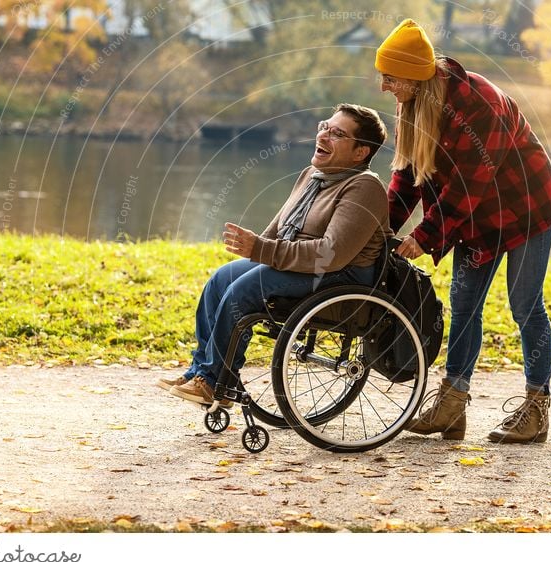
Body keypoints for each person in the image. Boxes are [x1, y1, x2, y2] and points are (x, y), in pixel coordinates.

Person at [374, 19, 551, 443]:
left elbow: (468, 184)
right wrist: (382, 228)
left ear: (413, 75)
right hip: (477, 220)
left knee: (524, 306)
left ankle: (536, 408)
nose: (384, 86)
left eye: (390, 77)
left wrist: (423, 236)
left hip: (526, 210)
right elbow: (407, 175)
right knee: (464, 306)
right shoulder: (417, 105)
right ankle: (451, 404)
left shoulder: (478, 102)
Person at [157, 103, 390, 406]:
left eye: (337, 134)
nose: (324, 135)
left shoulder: (365, 186)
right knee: (221, 279)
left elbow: (330, 255)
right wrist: (256, 249)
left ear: (360, 152)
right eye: (325, 127)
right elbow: (278, 229)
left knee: (244, 290)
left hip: (340, 277)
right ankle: (203, 371)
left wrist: (262, 250)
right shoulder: (313, 175)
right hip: (305, 266)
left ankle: (215, 382)